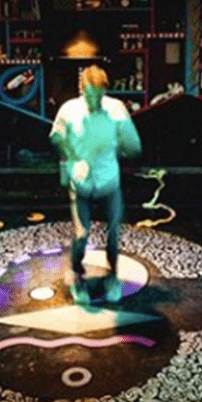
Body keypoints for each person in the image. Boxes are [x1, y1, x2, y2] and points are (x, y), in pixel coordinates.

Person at [49, 65, 142, 304]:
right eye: (89, 95)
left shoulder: (116, 109)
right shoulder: (69, 110)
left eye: (98, 95)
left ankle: (113, 277)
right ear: (81, 90)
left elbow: (133, 145)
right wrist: (70, 157)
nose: (94, 101)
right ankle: (78, 277)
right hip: (81, 181)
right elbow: (56, 137)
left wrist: (125, 145)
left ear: (104, 91)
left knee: (114, 235)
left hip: (109, 180)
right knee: (81, 235)